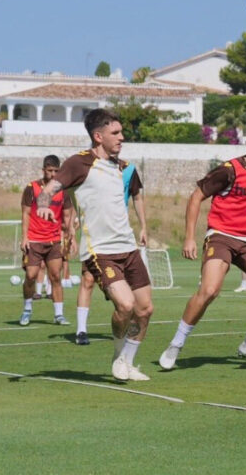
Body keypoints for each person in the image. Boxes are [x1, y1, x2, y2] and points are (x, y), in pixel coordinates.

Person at [158, 120, 246, 370]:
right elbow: (196, 196)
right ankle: (176, 344)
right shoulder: (229, 170)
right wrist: (189, 237)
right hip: (221, 235)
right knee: (209, 290)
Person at [37, 108, 153, 382]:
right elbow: (49, 189)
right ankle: (117, 355)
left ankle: (129, 360)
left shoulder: (122, 166)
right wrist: (43, 206)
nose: (122, 137)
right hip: (100, 252)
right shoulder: (79, 163)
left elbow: (134, 198)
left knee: (145, 309)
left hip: (129, 249)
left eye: (122, 132)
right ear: (98, 136)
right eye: (116, 133)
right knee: (125, 306)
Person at [72, 160, 147, 345]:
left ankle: (123, 328)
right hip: (94, 235)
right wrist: (74, 217)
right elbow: (72, 191)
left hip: (120, 239)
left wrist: (144, 226)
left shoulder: (129, 169)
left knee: (125, 294)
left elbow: (137, 197)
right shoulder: (88, 166)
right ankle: (81, 330)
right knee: (87, 279)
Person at [18, 155, 75, 326]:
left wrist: (70, 233)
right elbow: (26, 213)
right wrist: (25, 237)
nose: (53, 174)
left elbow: (67, 216)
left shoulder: (63, 191)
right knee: (30, 275)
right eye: (50, 171)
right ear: (43, 170)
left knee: (56, 276)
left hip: (54, 240)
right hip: (34, 240)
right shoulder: (32, 188)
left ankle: (59, 314)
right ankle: (27, 310)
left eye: (56, 171)